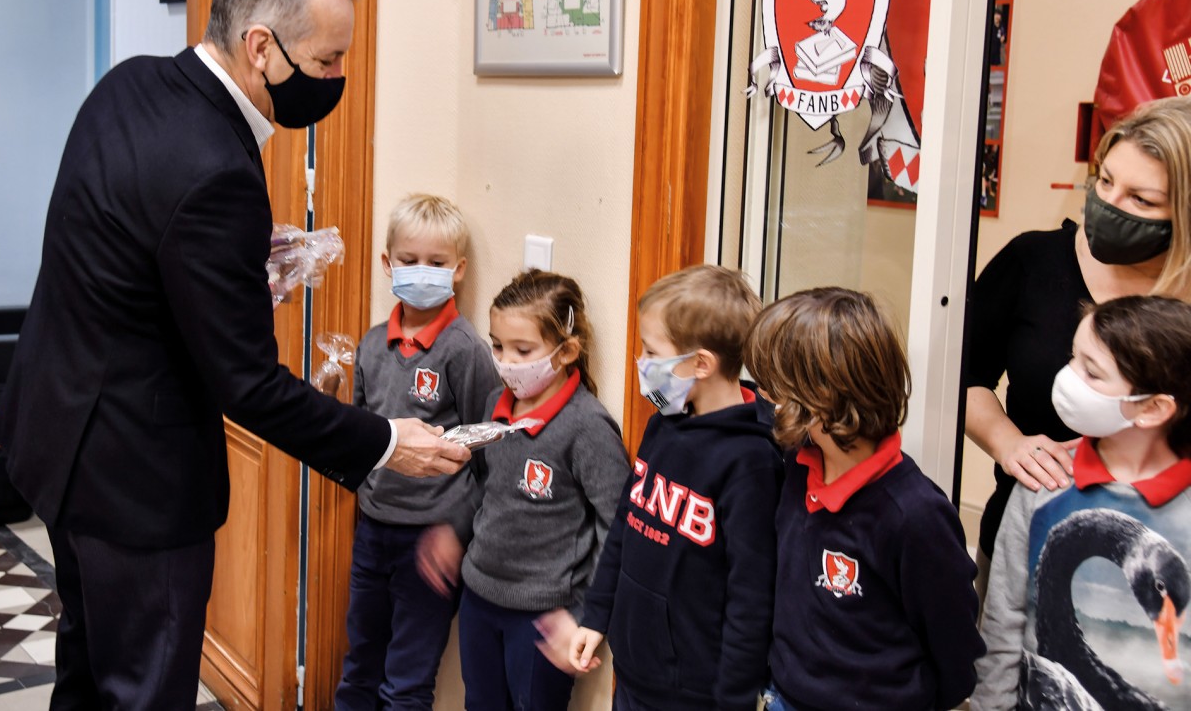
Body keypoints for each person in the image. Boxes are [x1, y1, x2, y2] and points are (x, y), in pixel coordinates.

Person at [0, 0, 470, 710]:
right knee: (143, 691)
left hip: (58, 438)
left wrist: (234, 271)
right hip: (136, 482)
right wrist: (383, 441)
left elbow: (119, 249)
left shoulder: (132, 83)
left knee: (86, 676)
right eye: (327, 60)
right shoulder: (216, 167)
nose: (337, 79)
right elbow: (248, 385)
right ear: (261, 48)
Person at [964, 97, 1191, 574]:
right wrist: (1009, 444)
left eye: (1141, 199)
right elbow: (963, 379)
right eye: (1105, 181)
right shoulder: (1033, 262)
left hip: (1169, 560)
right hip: (1024, 537)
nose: (1109, 206)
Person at [745, 287, 984, 711]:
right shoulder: (796, 466)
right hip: (785, 698)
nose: (765, 397)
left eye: (774, 388)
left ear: (819, 400)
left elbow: (955, 644)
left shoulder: (914, 514)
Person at [560, 265, 780, 710]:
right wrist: (597, 616)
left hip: (695, 692)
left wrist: (733, 698)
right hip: (635, 671)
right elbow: (626, 527)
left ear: (701, 363)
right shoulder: (664, 424)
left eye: (652, 351)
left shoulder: (752, 461)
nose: (642, 362)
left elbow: (750, 595)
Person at [417, 269, 630, 710]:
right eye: (497, 345)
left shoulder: (587, 427)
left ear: (567, 350)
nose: (506, 360)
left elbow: (618, 528)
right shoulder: (494, 405)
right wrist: (455, 532)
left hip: (543, 618)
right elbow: (485, 486)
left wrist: (586, 617)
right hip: (479, 600)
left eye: (523, 349)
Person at [972, 295, 1191, 709]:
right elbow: (1003, 630)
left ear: (1153, 407)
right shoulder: (1044, 483)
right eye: (1073, 358)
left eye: (1091, 372)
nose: (1067, 378)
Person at [333, 194, 499, 711]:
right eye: (408, 261)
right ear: (388, 264)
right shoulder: (372, 343)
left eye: (437, 262)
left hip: (430, 541)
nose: (421, 272)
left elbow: (486, 446)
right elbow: (362, 433)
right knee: (360, 662)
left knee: (406, 681)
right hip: (373, 530)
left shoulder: (464, 349)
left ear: (459, 270)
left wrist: (458, 530)